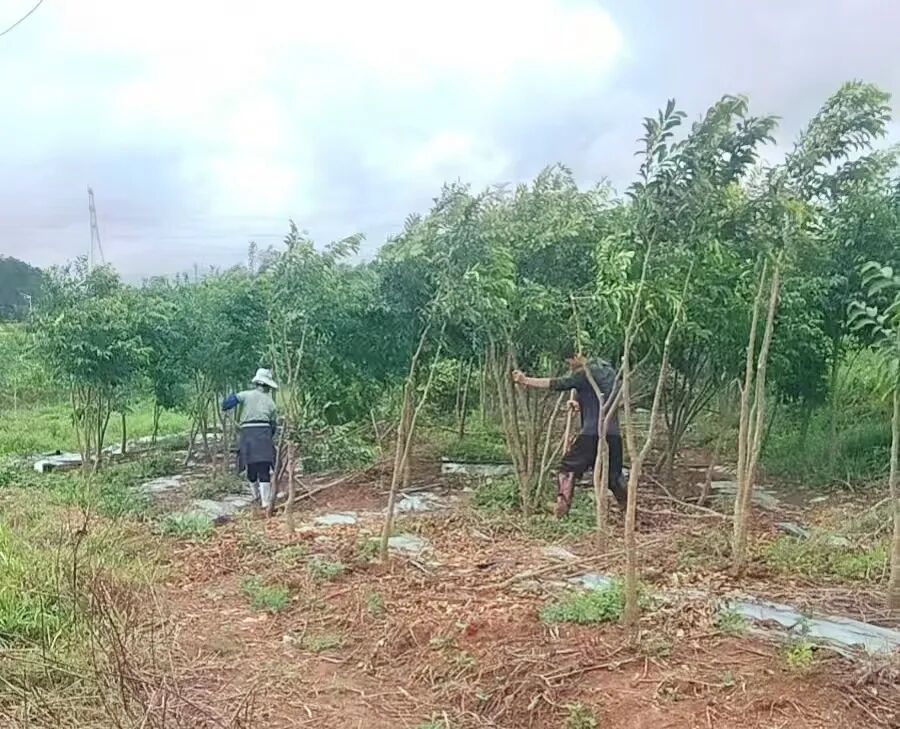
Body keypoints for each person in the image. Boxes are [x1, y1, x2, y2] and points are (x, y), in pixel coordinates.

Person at [512, 349, 626, 518]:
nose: (570, 366)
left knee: (568, 468)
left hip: (592, 433)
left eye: (569, 362)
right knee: (613, 475)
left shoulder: (585, 372)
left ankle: (562, 509)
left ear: (577, 356)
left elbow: (559, 384)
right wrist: (579, 403)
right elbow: (601, 397)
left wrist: (525, 380)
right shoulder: (608, 371)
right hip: (613, 433)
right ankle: (628, 509)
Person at [222, 368, 278, 509]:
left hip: (248, 433)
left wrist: (227, 404)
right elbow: (273, 426)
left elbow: (227, 403)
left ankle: (255, 496)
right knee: (264, 468)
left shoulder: (245, 395)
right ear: (266, 386)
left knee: (251, 467)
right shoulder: (271, 403)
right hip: (264, 434)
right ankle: (265, 502)